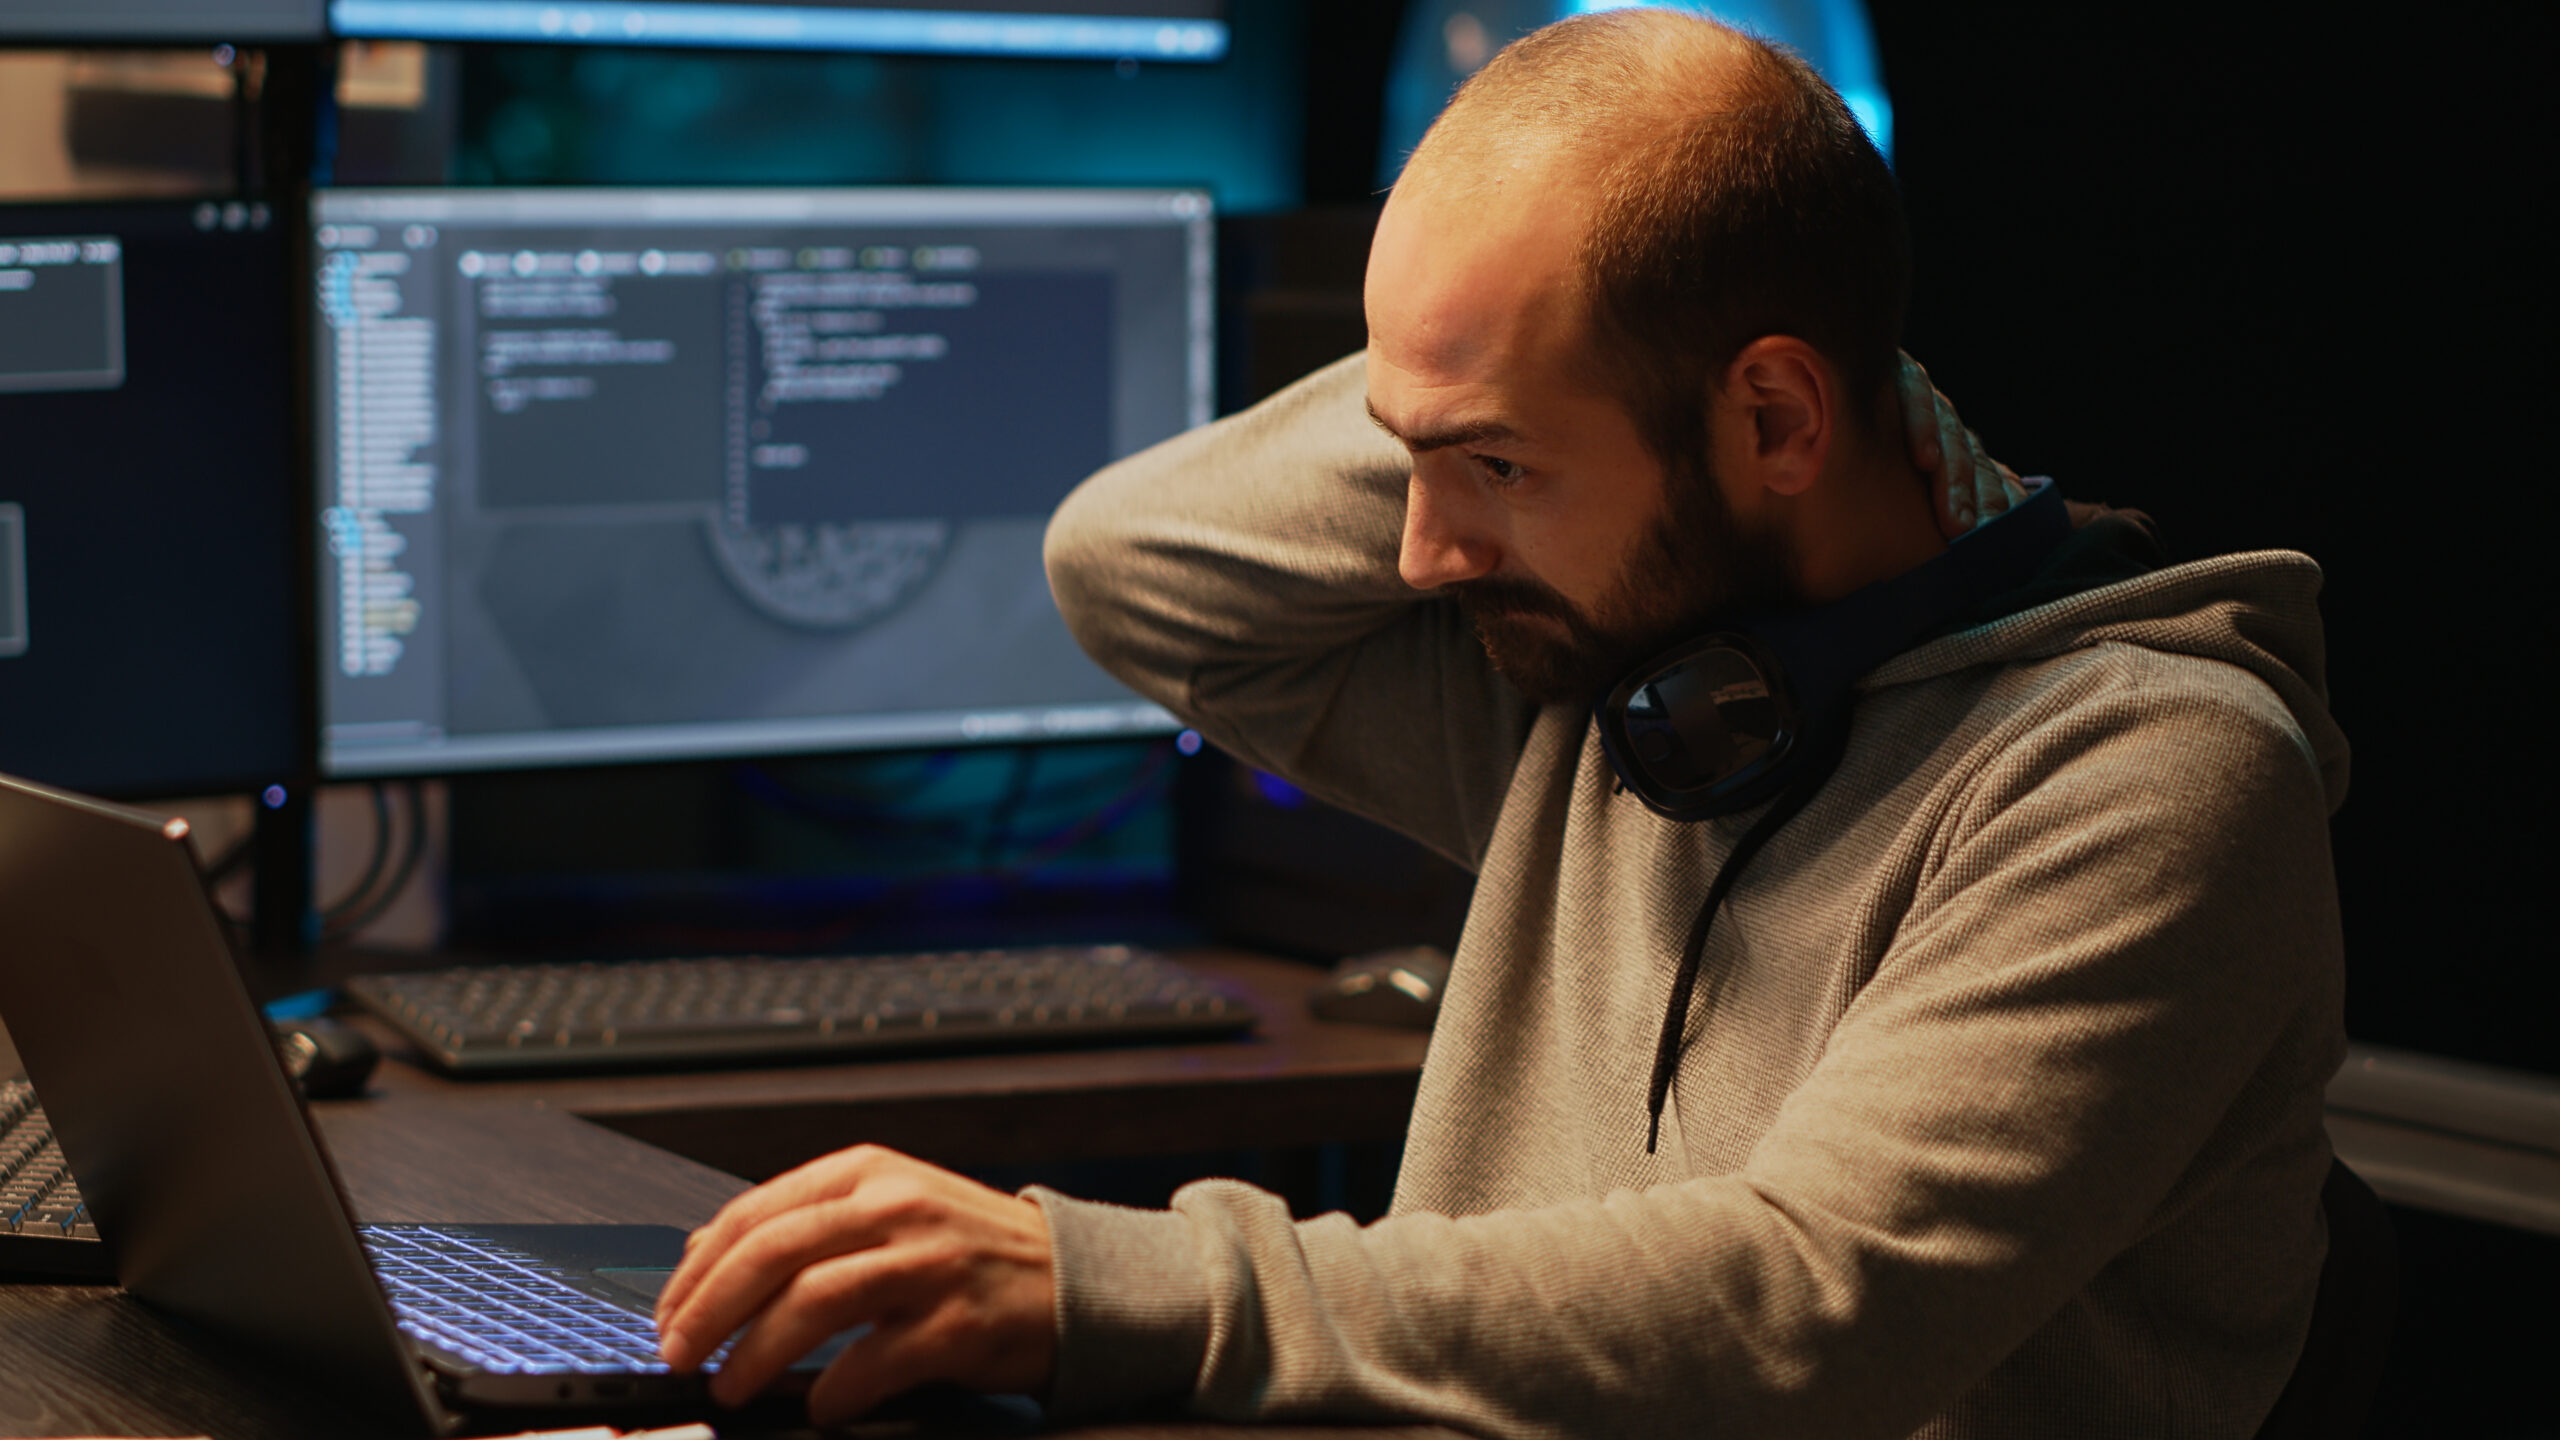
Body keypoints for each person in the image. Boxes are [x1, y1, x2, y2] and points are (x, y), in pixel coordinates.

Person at [651, 11, 2351, 1437]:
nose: (1421, 552)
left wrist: (1102, 1284)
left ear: (1772, 416)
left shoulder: (2152, 773)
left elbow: (1810, 1301)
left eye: (1496, 467)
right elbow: (1133, 565)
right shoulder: (1648, 686)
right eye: (1410, 460)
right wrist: (1474, 351)